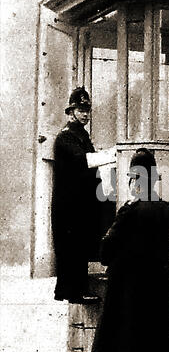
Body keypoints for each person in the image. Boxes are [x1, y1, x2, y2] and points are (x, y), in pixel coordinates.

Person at [89, 148, 169, 352]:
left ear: (137, 180)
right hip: (158, 292)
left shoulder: (129, 211)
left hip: (129, 294)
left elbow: (106, 251)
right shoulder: (166, 211)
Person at [51, 86, 110, 304]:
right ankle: (75, 291)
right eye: (81, 110)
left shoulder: (80, 135)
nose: (85, 114)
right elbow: (85, 160)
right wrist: (113, 154)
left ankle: (76, 290)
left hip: (77, 205)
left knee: (78, 249)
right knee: (73, 250)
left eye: (87, 110)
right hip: (70, 207)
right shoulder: (66, 138)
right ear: (71, 111)